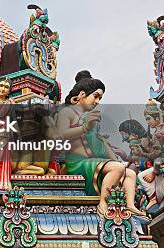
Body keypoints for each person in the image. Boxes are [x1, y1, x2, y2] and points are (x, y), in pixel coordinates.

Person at [56, 70, 144, 216]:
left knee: (130, 174)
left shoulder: (90, 117)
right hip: (77, 162)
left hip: (93, 160)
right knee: (117, 168)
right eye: (95, 96)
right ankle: (103, 204)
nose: (97, 102)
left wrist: (113, 157)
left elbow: (97, 142)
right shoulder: (67, 113)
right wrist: (84, 128)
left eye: (100, 98)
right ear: (82, 95)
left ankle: (130, 205)